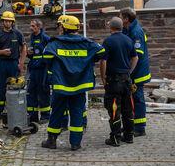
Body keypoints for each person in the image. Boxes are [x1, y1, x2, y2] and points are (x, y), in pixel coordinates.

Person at [41, 15, 105, 151]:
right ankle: (75, 143)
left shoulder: (54, 43)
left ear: (64, 27)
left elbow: (46, 57)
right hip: (79, 86)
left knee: (57, 112)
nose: (58, 28)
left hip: (61, 85)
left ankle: (51, 141)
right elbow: (102, 52)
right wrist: (88, 60)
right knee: (77, 112)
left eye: (59, 26)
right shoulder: (87, 43)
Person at [99, 17, 138, 146]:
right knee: (128, 109)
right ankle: (129, 136)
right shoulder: (128, 40)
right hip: (126, 80)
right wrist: (129, 71)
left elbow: (103, 61)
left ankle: (115, 138)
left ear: (111, 27)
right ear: (121, 27)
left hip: (114, 81)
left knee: (115, 109)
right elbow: (135, 57)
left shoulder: (108, 41)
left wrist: (103, 78)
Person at [120, 8, 151, 136]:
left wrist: (129, 72)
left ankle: (140, 128)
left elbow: (136, 56)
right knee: (131, 98)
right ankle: (131, 124)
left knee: (138, 98)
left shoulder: (136, 32)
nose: (119, 19)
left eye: (120, 17)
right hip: (132, 71)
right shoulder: (127, 29)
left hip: (137, 72)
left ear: (126, 19)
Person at [0, 11, 25, 120]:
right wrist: (2, 52)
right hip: (3, 64)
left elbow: (24, 48)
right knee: (0, 88)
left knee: (16, 87)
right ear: (3, 22)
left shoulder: (17, 34)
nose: (8, 23)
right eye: (6, 21)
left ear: (13, 22)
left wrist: (21, 63)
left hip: (14, 63)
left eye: (10, 21)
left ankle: (15, 109)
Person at [25, 18, 53, 124]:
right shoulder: (32, 37)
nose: (31, 28)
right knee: (31, 92)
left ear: (39, 27)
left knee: (43, 93)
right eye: (31, 26)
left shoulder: (45, 38)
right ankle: (32, 117)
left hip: (43, 70)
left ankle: (45, 116)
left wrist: (44, 62)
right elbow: (32, 54)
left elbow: (51, 52)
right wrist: (28, 53)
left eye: (33, 26)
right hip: (33, 69)